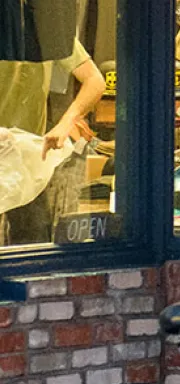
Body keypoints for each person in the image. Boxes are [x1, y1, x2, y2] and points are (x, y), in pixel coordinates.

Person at [0, 39, 106, 244]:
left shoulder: (48, 28)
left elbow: (95, 81)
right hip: (25, 159)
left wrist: (66, 122)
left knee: (32, 243)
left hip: (28, 161)